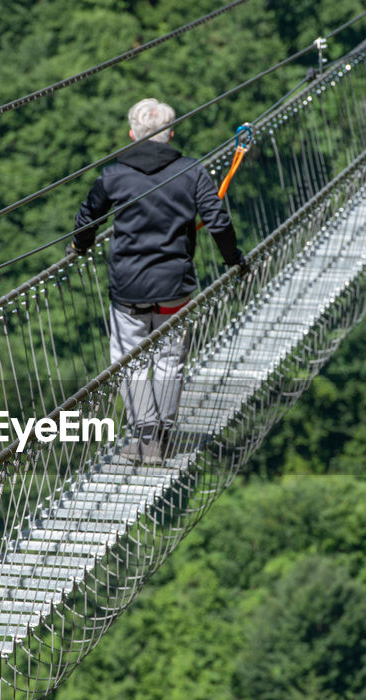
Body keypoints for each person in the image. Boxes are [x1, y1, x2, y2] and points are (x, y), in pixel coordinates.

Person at [72, 97, 247, 464]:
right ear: (171, 133)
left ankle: (146, 435)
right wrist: (235, 261)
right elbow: (218, 221)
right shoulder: (192, 171)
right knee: (169, 360)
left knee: (127, 361)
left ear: (132, 134)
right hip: (175, 288)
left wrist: (80, 246)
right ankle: (163, 438)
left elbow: (88, 218)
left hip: (128, 290)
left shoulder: (114, 175)